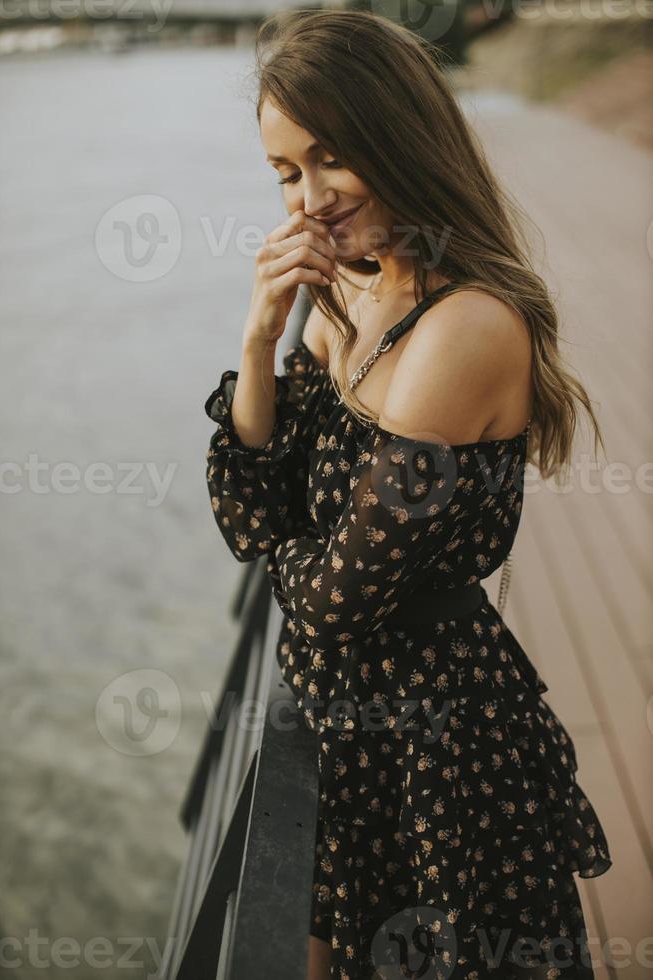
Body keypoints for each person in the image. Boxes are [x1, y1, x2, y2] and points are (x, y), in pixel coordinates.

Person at [204, 10, 613, 979]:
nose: (310, 198)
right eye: (285, 173)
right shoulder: (346, 293)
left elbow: (340, 600)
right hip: (351, 736)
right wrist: (259, 339)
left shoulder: (464, 327)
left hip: (442, 751)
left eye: (332, 156)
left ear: (400, 134)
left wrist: (292, 542)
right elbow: (247, 512)